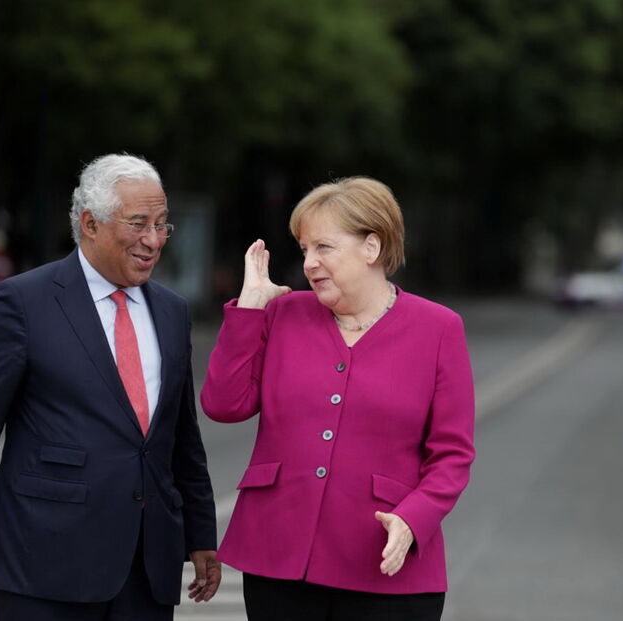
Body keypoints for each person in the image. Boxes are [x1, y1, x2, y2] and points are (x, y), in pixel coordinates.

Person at [0, 154, 220, 620]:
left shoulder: (172, 311)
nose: (153, 240)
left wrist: (200, 536)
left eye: (162, 225)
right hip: (45, 558)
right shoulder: (21, 302)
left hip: (147, 564)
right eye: (139, 223)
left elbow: (181, 435)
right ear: (90, 223)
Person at [200, 177, 475, 620]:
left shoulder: (439, 329)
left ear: (371, 247)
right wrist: (249, 309)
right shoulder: (282, 314)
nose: (309, 263)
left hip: (384, 565)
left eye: (324, 247)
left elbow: (453, 454)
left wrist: (414, 518)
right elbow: (223, 405)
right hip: (278, 558)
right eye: (305, 249)